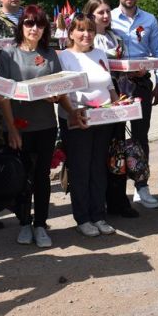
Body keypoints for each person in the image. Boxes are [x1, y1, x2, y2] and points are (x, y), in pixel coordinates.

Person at [0, 5, 75, 248]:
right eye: (29, 23)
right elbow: (3, 95)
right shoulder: (8, 55)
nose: (34, 28)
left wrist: (67, 107)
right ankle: (24, 224)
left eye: (39, 24)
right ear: (21, 26)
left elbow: (59, 88)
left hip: (45, 125)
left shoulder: (50, 54)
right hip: (19, 127)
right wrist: (12, 128)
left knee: (41, 177)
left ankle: (40, 224)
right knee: (21, 179)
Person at [111, 0, 158, 209]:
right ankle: (115, 190)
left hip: (142, 84)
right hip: (115, 85)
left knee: (141, 136)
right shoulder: (107, 17)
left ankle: (141, 186)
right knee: (115, 137)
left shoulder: (150, 20)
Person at [57, 16, 114, 237]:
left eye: (90, 30)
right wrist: (73, 113)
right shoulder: (65, 57)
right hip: (77, 118)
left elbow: (109, 86)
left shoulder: (100, 54)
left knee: (98, 167)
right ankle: (83, 218)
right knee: (81, 169)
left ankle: (99, 214)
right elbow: (62, 91)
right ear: (71, 33)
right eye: (80, 30)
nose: (86, 35)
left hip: (102, 117)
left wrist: (121, 106)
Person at [85, 0, 139, 218]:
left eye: (107, 11)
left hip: (118, 94)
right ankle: (96, 202)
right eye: (100, 13)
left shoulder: (116, 37)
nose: (106, 16)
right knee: (97, 153)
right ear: (90, 15)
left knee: (117, 150)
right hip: (97, 100)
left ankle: (118, 200)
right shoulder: (86, 39)